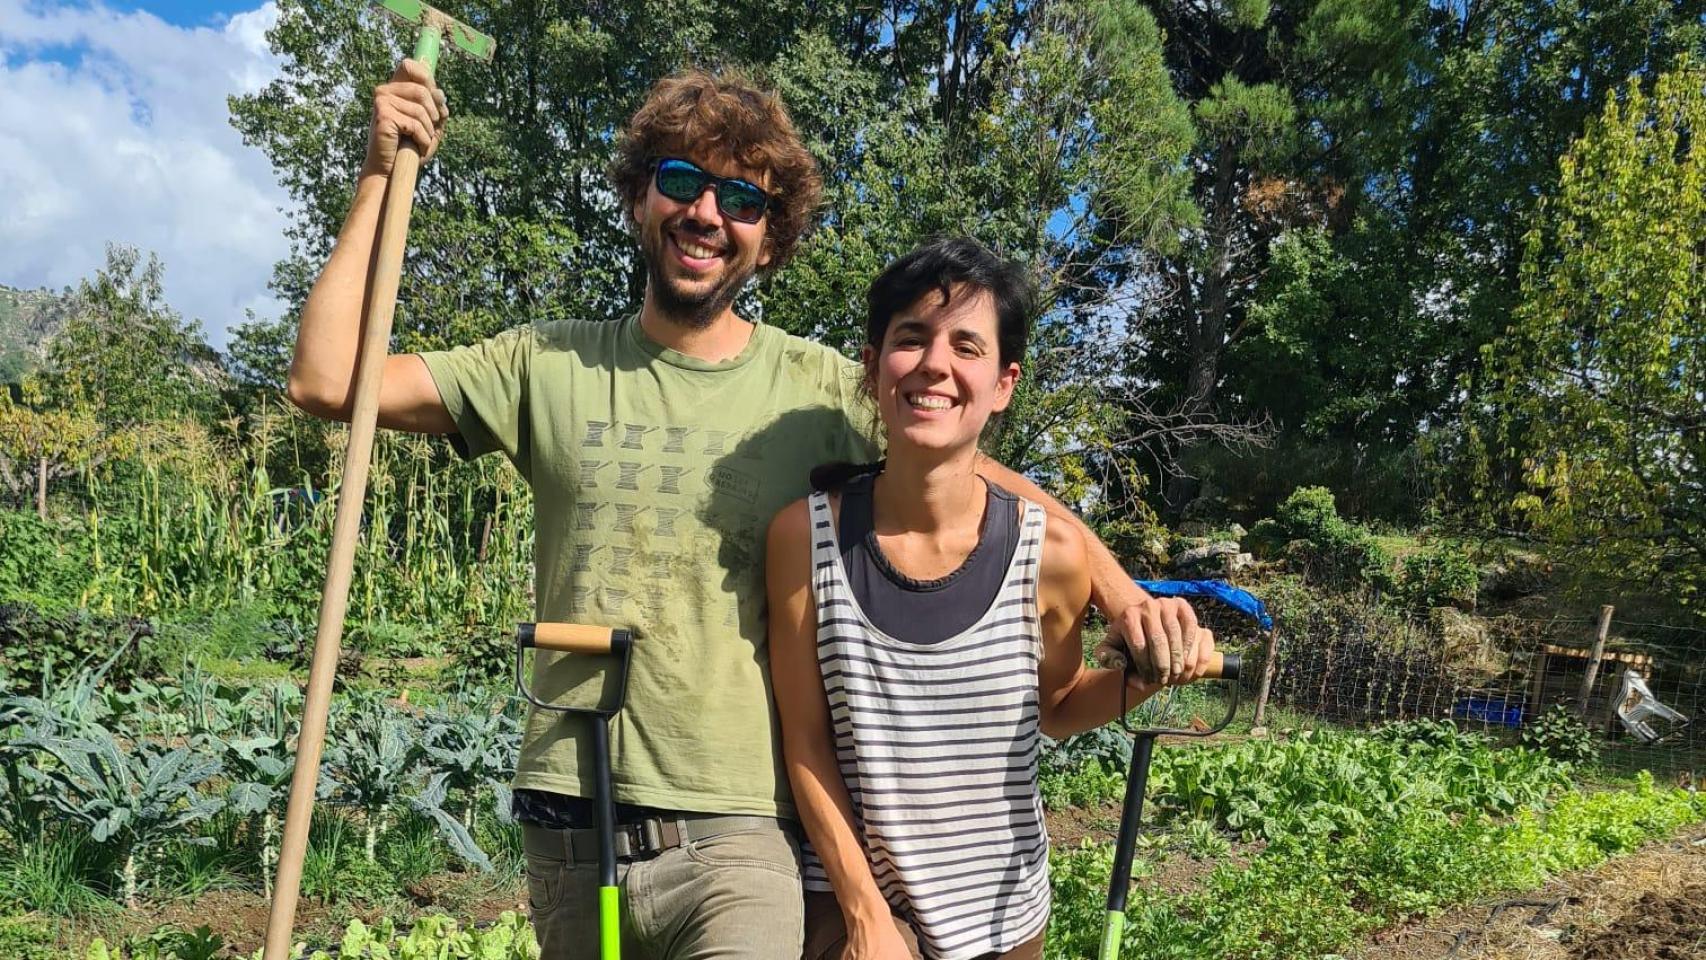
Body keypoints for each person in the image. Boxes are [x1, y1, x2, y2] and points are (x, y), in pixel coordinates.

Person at [287, 59, 1208, 960]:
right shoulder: (543, 364)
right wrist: (377, 175)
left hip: (741, 821)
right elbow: (327, 381)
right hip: (572, 806)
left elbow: (977, 473)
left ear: (771, 239)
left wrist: (1126, 599)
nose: (706, 213)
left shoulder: (815, 389)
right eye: (680, 180)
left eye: (741, 199)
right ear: (638, 199)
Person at [766, 238, 1219, 960]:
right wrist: (865, 917)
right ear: (873, 367)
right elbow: (808, 743)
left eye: (966, 346)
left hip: (1007, 920)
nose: (934, 364)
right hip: (861, 915)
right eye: (910, 338)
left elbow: (1058, 709)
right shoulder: (805, 539)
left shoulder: (1052, 556)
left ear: (1005, 383)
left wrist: (1144, 678)